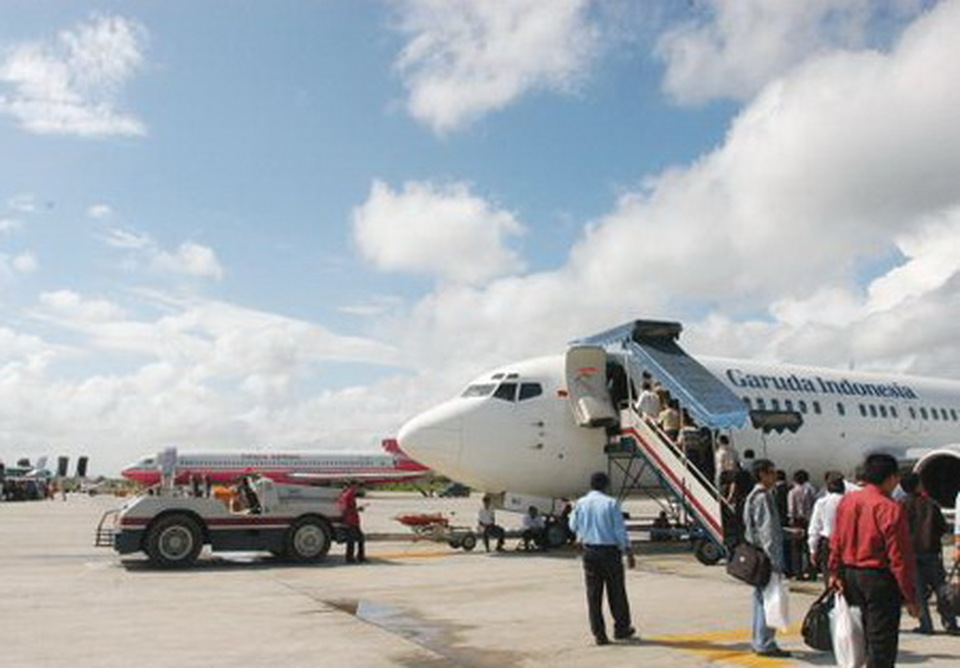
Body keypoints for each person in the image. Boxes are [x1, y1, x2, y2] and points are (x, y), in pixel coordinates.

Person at [829, 454, 919, 668]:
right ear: (890, 478)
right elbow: (899, 556)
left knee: (860, 635)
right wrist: (910, 595)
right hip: (878, 578)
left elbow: (836, 539)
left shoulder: (848, 501)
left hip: (851, 575)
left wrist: (834, 572)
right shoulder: (889, 507)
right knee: (881, 643)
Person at [569, 471, 636, 646]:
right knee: (617, 592)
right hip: (610, 552)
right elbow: (619, 530)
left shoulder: (581, 503)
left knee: (594, 595)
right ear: (605, 485)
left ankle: (599, 634)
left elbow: (572, 525)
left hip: (590, 552)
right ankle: (621, 628)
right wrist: (628, 551)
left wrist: (584, 531)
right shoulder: (611, 503)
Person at [743, 458, 791, 658]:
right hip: (767, 557)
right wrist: (775, 562)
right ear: (762, 474)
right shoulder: (763, 497)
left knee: (760, 599)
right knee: (769, 601)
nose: (775, 476)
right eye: (772, 472)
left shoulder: (752, 496)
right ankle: (765, 643)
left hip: (757, 554)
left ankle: (758, 640)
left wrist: (787, 533)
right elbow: (767, 531)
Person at [900, 472, 958, 634]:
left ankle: (926, 624)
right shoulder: (931, 504)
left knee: (919, 591)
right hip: (931, 552)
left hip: (911, 553)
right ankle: (950, 623)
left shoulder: (900, 505)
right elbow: (942, 528)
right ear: (918, 485)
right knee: (941, 589)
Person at [807, 471, 845, 588]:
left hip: (828, 543)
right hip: (846, 543)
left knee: (829, 576)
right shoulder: (849, 501)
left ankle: (831, 595)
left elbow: (815, 527)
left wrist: (813, 549)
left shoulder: (822, 503)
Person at [788, 470, 817, 580]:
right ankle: (812, 572)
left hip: (797, 521)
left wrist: (791, 519)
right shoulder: (811, 491)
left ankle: (798, 573)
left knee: (796, 549)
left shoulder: (792, 492)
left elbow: (791, 508)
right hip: (809, 520)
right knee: (809, 547)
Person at [338, 480, 366, 563]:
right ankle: (356, 557)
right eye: (356, 486)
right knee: (357, 539)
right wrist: (357, 509)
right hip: (351, 520)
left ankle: (354, 557)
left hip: (351, 520)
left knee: (354, 539)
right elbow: (346, 508)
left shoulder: (345, 494)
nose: (357, 488)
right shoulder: (349, 494)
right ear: (353, 485)